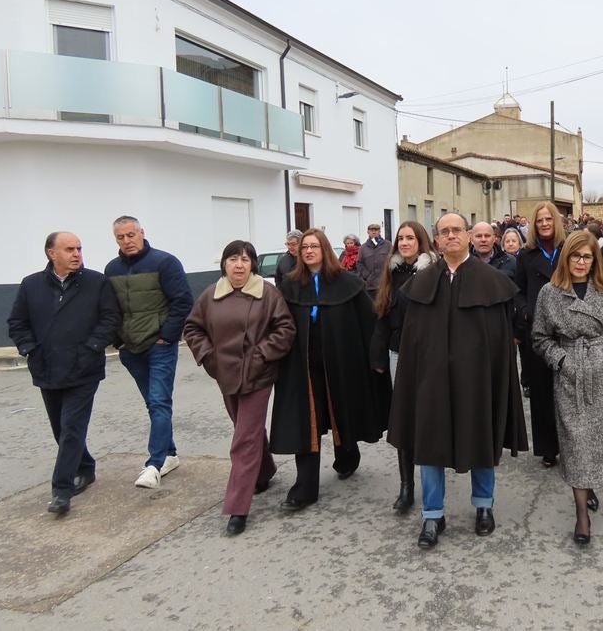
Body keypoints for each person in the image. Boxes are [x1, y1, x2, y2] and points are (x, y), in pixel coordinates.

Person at [388, 212, 528, 549]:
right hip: (431, 382)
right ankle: (432, 514)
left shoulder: (490, 281)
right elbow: (412, 341)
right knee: (430, 445)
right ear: (436, 240)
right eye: (444, 231)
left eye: (456, 230)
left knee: (480, 435)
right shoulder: (421, 283)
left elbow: (498, 339)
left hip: (477, 379)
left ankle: (483, 506)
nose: (451, 236)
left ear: (468, 236)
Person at [270, 228, 391, 511]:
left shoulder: (348, 283)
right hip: (302, 366)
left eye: (314, 246)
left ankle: (347, 456)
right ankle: (305, 488)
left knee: (340, 411)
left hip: (341, 363)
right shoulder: (289, 286)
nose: (309, 251)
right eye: (304, 247)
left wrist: (376, 359)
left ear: (324, 249)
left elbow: (368, 323)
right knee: (306, 422)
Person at [183, 241, 296, 535]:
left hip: (258, 375)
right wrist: (209, 357)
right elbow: (192, 328)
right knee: (248, 430)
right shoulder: (210, 295)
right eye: (233, 259)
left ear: (253, 265)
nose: (239, 265)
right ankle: (265, 471)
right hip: (226, 374)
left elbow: (286, 329)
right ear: (224, 264)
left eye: (245, 260)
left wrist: (261, 355)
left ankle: (237, 507)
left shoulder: (268, 294)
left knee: (243, 438)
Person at [7, 232, 120, 515]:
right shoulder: (31, 285)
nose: (76, 254)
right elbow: (17, 322)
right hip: (47, 368)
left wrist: (92, 347)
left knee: (71, 427)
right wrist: (30, 349)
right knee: (61, 429)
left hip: (84, 369)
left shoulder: (96, 282)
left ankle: (61, 490)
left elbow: (111, 318)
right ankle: (86, 467)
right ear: (51, 253)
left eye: (79, 248)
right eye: (69, 249)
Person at [531, 230, 603, 546]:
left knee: (595, 439)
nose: (580, 262)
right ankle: (581, 516)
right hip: (569, 373)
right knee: (575, 441)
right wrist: (560, 360)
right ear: (566, 258)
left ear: (594, 260)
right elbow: (539, 337)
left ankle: (588, 485)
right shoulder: (549, 293)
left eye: (586, 257)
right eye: (575, 256)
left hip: (601, 373)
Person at [106, 216, 193, 489]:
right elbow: (109, 309)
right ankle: (169, 454)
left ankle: (153, 465)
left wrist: (166, 336)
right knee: (153, 403)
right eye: (121, 237)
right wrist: (117, 340)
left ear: (142, 232)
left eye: (131, 234)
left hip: (159, 347)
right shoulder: (111, 269)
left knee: (158, 401)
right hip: (131, 349)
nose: (127, 241)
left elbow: (183, 301)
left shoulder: (165, 262)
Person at [370, 220, 436, 514]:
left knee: (428, 418)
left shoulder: (433, 271)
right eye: (400, 239)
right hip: (398, 352)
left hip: (428, 353)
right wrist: (378, 355)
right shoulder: (392, 272)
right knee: (404, 418)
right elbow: (383, 312)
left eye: (410, 238)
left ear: (421, 241)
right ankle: (406, 486)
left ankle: (433, 482)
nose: (405, 243)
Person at [514, 201, 566, 468]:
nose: (544, 224)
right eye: (539, 220)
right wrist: (525, 311)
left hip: (567, 330)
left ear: (555, 221)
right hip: (538, 330)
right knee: (542, 393)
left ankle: (570, 445)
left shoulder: (568, 249)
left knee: (567, 392)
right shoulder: (525, 255)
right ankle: (547, 447)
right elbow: (518, 289)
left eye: (548, 219)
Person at [355, 223, 391, 299]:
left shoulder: (388, 245)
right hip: (370, 286)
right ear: (368, 232)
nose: (374, 232)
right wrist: (367, 276)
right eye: (371, 230)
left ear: (380, 232)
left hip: (385, 285)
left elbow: (393, 260)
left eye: (376, 230)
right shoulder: (363, 247)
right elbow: (359, 263)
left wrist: (388, 274)